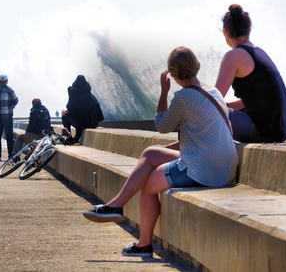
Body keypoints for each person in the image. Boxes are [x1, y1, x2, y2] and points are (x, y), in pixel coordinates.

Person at [83, 46, 238, 257]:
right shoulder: (214, 92)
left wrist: (164, 93)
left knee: (148, 185)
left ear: (172, 75)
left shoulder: (183, 97)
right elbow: (207, 134)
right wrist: (165, 151)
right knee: (151, 153)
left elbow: (162, 125)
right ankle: (116, 205)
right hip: (225, 168)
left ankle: (143, 243)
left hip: (204, 170)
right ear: (197, 67)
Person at [215, 4, 286, 143]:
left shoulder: (233, 56)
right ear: (249, 30)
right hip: (280, 131)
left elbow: (212, 100)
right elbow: (253, 101)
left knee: (207, 112)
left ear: (226, 33)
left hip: (262, 130)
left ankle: (183, 155)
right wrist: (226, 106)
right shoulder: (260, 53)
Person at [62, 75, 104, 144]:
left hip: (82, 124)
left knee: (65, 116)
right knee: (79, 118)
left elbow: (69, 107)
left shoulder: (73, 93)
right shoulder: (90, 95)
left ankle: (69, 138)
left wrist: (68, 111)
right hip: (93, 124)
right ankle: (77, 136)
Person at [0, 74, 19, 161]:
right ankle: (10, 155)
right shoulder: (9, 90)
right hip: (7, 116)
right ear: (7, 81)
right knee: (9, 136)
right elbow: (16, 100)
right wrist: (10, 105)